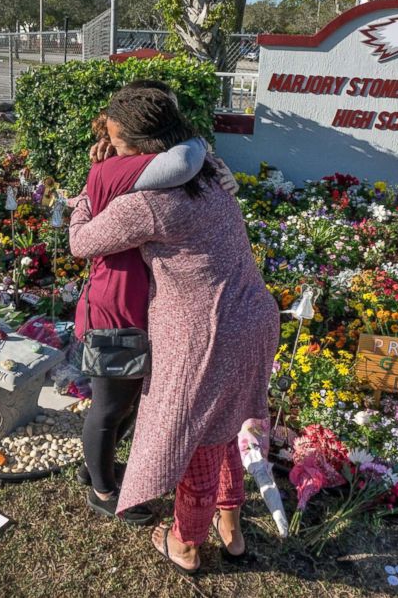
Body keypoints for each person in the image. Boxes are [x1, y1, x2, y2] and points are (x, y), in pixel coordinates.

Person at [69, 86, 278, 574]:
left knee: (197, 440)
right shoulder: (210, 172)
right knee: (234, 427)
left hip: (206, 334)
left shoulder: (147, 203)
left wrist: (86, 192)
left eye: (119, 144)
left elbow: (82, 242)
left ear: (143, 146)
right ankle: (233, 531)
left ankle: (185, 543)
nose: (115, 152)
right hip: (255, 315)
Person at [75, 81, 239, 526]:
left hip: (143, 303)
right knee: (111, 405)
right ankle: (103, 489)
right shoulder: (129, 170)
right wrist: (81, 205)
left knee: (124, 403)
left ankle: (95, 469)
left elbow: (191, 156)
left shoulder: (162, 169)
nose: (113, 145)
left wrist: (223, 174)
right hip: (116, 305)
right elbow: (190, 153)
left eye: (117, 137)